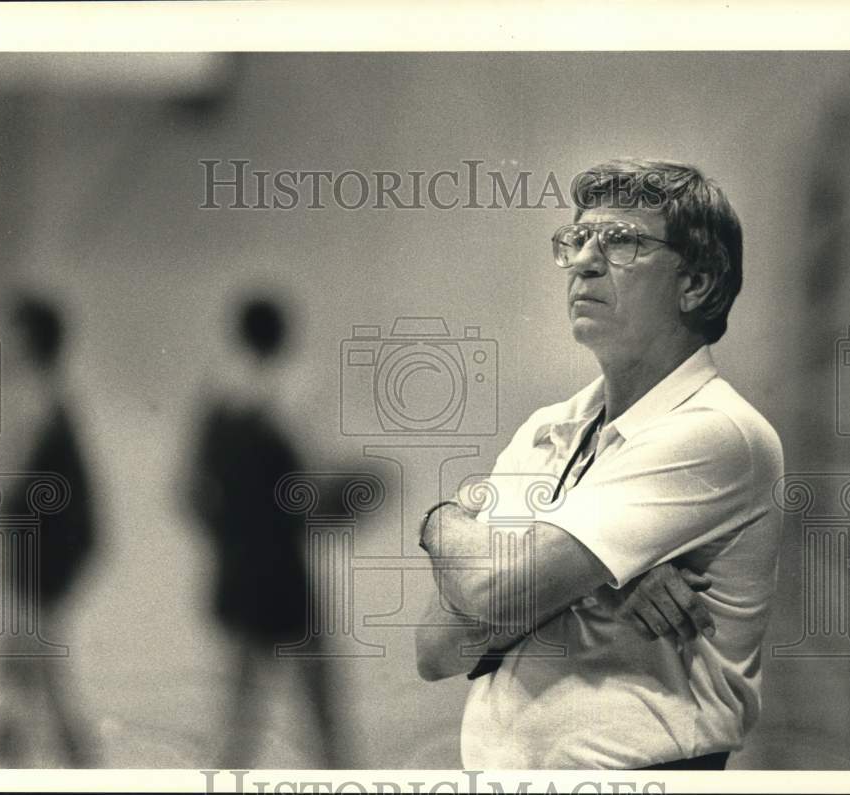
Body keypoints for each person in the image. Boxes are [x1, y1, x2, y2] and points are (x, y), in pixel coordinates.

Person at [416, 159, 783, 770]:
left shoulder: (719, 432)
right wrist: (613, 575)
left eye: (621, 241)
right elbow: (435, 650)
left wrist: (442, 525)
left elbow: (489, 590)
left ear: (694, 283)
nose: (585, 260)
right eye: (577, 239)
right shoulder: (546, 429)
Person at [189, 297, 346, 768]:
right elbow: (315, 487)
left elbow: (194, 493)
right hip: (283, 569)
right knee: (319, 705)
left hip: (236, 566)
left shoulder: (216, 400)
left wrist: (228, 537)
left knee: (240, 706)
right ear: (281, 337)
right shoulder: (289, 397)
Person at [0, 296, 99, 767]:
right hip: (37, 561)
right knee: (35, 671)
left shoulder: (32, 402)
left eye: (12, 331)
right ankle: (66, 760)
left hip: (29, 561)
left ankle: (40, 760)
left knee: (24, 668)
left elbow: (5, 488)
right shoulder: (53, 399)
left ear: (30, 338)